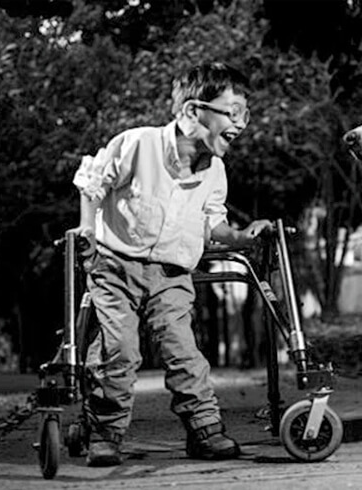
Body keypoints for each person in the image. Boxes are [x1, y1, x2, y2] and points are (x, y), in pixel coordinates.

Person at [71, 62, 272, 467]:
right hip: (115, 268)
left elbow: (212, 222)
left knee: (184, 351)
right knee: (119, 351)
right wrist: (87, 228)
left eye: (245, 114)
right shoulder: (137, 144)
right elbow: (93, 182)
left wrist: (239, 236)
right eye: (233, 112)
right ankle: (106, 432)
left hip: (172, 274)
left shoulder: (215, 170)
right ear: (192, 111)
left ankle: (204, 430)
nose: (242, 124)